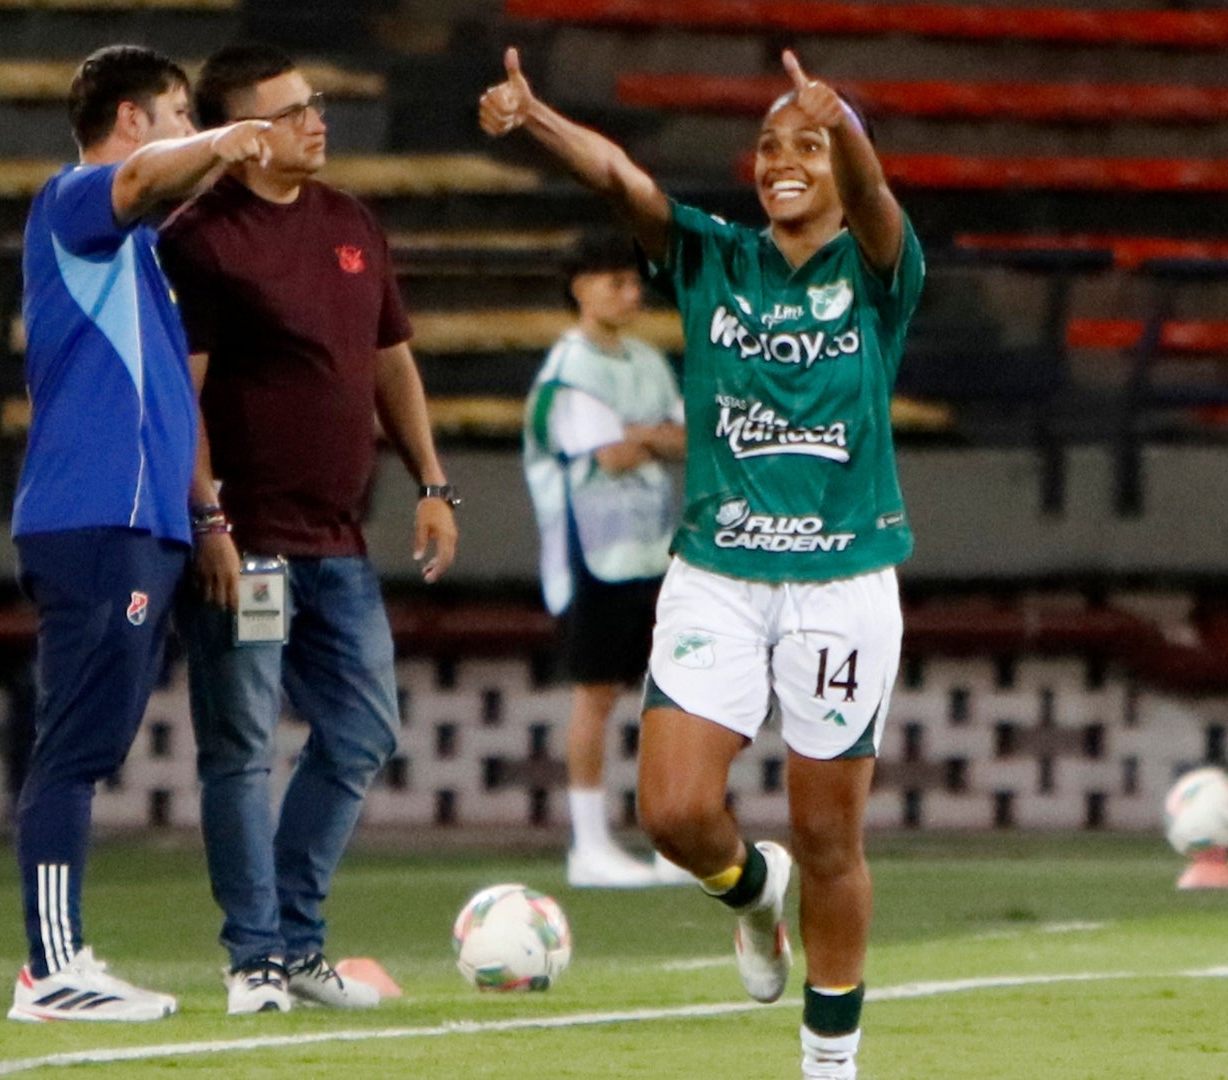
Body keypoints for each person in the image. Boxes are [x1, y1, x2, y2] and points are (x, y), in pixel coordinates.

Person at [482, 46, 923, 1080]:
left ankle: (829, 1061)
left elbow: (875, 197)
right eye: (770, 145)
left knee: (830, 841)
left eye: (806, 144)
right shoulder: (711, 257)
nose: (783, 160)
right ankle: (747, 893)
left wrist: (844, 132)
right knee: (675, 813)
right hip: (717, 570)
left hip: (843, 579)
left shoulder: (879, 269)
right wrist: (540, 117)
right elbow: (623, 179)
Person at [159, 42, 459, 1016]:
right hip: (248, 546)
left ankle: (292, 944)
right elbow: (182, 398)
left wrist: (433, 481)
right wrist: (207, 517)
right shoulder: (199, 239)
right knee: (241, 747)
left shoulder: (350, 222)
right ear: (240, 137)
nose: (314, 121)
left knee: (365, 729)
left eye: (315, 103)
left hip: (339, 543)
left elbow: (392, 363)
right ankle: (255, 960)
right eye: (289, 112)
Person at [8, 44, 271, 1022]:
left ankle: (61, 957)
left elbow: (166, 404)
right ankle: (49, 969)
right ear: (130, 121)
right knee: (74, 748)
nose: (184, 134)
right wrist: (231, 137)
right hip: (95, 523)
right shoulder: (76, 200)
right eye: (175, 115)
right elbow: (150, 175)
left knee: (91, 743)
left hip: (139, 527)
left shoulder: (139, 256)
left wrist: (203, 516)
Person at [522, 233, 691, 888]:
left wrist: (637, 436)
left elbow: (682, 440)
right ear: (580, 287)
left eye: (633, 280)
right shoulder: (567, 371)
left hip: (655, 546)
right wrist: (648, 439)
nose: (631, 292)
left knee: (665, 693)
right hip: (592, 552)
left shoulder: (649, 359)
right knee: (595, 694)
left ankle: (669, 838)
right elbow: (612, 456)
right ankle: (587, 844)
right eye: (615, 279)